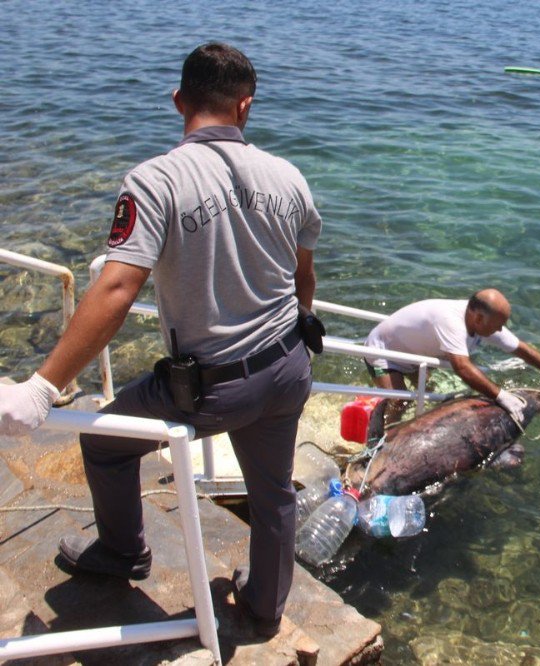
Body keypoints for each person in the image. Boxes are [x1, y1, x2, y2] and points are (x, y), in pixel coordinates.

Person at [0, 43, 322, 638]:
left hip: (213, 388)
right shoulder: (291, 177)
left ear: (179, 100)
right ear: (245, 106)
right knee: (273, 491)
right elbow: (304, 278)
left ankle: (124, 553)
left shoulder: (155, 179)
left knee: (107, 444)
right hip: (289, 367)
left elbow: (118, 286)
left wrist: (44, 386)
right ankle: (265, 607)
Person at [364, 289, 540, 425]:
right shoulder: (451, 321)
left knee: (428, 394)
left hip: (416, 354)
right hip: (384, 351)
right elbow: (462, 367)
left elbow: (519, 348)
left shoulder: (482, 320)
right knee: (400, 401)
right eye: (497, 325)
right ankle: (383, 438)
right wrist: (501, 395)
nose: (499, 330)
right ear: (478, 317)